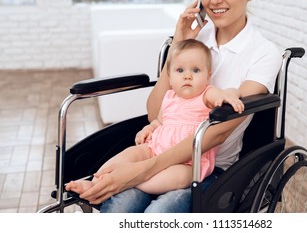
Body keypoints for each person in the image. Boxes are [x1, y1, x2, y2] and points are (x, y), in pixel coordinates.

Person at [74, 0, 282, 212]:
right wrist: (177, 45)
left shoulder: (263, 52)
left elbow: (218, 132)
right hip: (159, 151)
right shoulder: (196, 40)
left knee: (159, 214)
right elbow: (154, 113)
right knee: (118, 209)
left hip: (208, 166)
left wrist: (142, 170)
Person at [66, 39, 244, 195]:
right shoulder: (169, 97)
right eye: (180, 70)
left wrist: (228, 95)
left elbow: (225, 94)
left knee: (180, 178)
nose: (188, 75)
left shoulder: (206, 95)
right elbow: (159, 121)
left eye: (196, 70)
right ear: (170, 77)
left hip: (189, 162)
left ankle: (130, 181)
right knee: (132, 152)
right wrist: (148, 128)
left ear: (208, 76)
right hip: (155, 149)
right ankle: (96, 181)